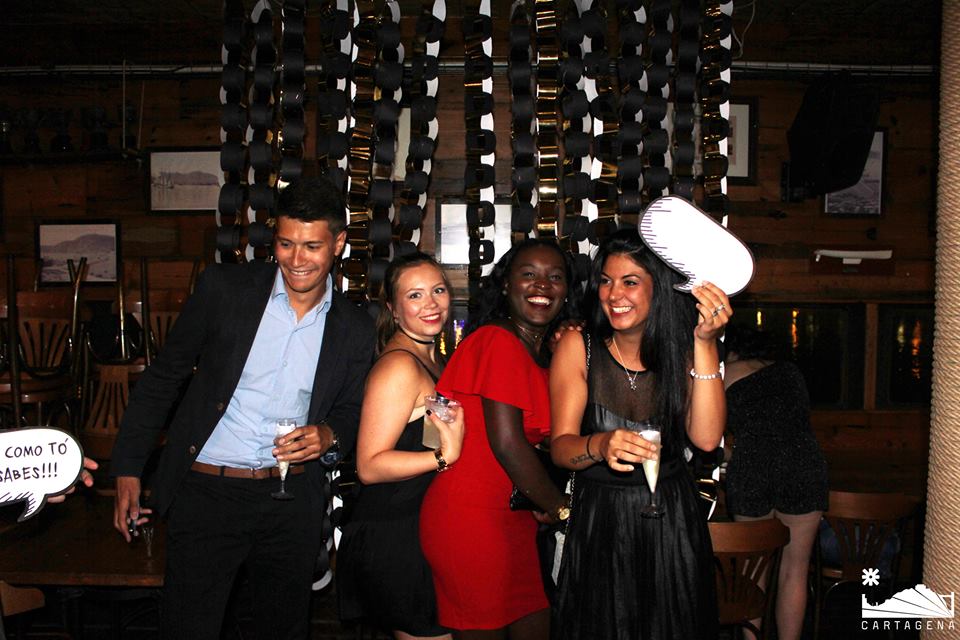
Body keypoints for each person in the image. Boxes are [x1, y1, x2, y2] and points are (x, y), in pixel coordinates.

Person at [110, 177, 375, 640]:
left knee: (283, 630)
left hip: (291, 500)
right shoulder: (225, 289)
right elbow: (165, 376)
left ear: (338, 244)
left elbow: (354, 408)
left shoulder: (354, 327)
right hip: (207, 490)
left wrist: (329, 434)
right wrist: (128, 468)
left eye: (312, 246)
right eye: (286, 244)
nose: (296, 259)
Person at [550, 229, 728, 640]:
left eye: (629, 282)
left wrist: (704, 343)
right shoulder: (578, 346)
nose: (614, 295)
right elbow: (561, 449)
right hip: (600, 521)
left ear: (658, 289)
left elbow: (706, 439)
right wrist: (599, 445)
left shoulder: (684, 351)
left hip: (671, 519)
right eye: (606, 281)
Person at [419, 239, 579, 640]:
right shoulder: (497, 341)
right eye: (528, 274)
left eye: (555, 277)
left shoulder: (540, 355)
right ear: (505, 284)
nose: (542, 285)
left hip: (515, 518)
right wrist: (563, 510)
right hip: (471, 520)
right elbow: (508, 444)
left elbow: (551, 439)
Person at [337, 253, 464, 640]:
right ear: (393, 309)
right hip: (395, 534)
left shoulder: (432, 358)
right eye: (415, 295)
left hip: (420, 528)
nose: (431, 304)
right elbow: (369, 466)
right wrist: (442, 457)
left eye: (438, 290)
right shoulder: (399, 367)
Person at [723, 324, 828, 640]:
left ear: (731, 349)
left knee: (752, 571)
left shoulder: (725, 372)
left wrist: (732, 454)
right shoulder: (790, 371)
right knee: (795, 571)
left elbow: (709, 437)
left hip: (753, 467)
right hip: (804, 466)